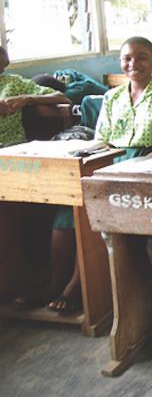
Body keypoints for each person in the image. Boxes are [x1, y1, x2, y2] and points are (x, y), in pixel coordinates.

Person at [3, 47, 74, 311]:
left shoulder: (13, 83)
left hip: (14, 154)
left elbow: (61, 97)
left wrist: (25, 100)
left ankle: (25, 278)